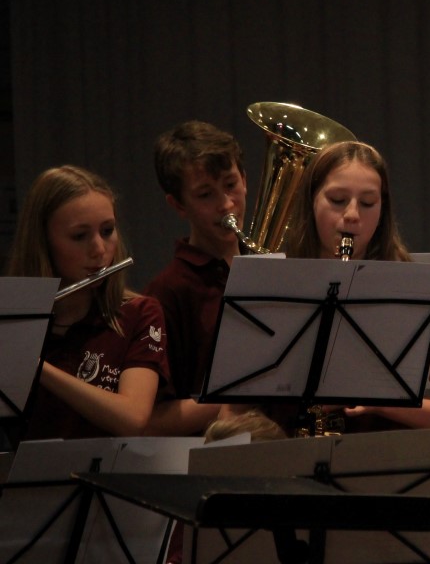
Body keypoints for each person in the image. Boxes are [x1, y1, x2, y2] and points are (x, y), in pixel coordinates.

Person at [283, 139, 430, 440]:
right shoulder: (276, 283)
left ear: (382, 210)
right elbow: (233, 414)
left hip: (383, 459)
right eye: (337, 199)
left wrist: (379, 400)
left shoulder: (413, 291)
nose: (352, 214)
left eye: (368, 203)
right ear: (311, 201)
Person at [5, 166, 169, 444]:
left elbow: (132, 419)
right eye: (79, 236)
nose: (99, 249)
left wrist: (35, 365)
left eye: (107, 231)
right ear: (43, 242)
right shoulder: (13, 321)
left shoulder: (139, 313)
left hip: (113, 470)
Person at [143, 121, 248, 436]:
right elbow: (150, 419)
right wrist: (237, 400)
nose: (226, 204)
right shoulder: (167, 292)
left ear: (245, 179)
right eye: (205, 194)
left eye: (231, 184)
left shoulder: (275, 270)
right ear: (178, 205)